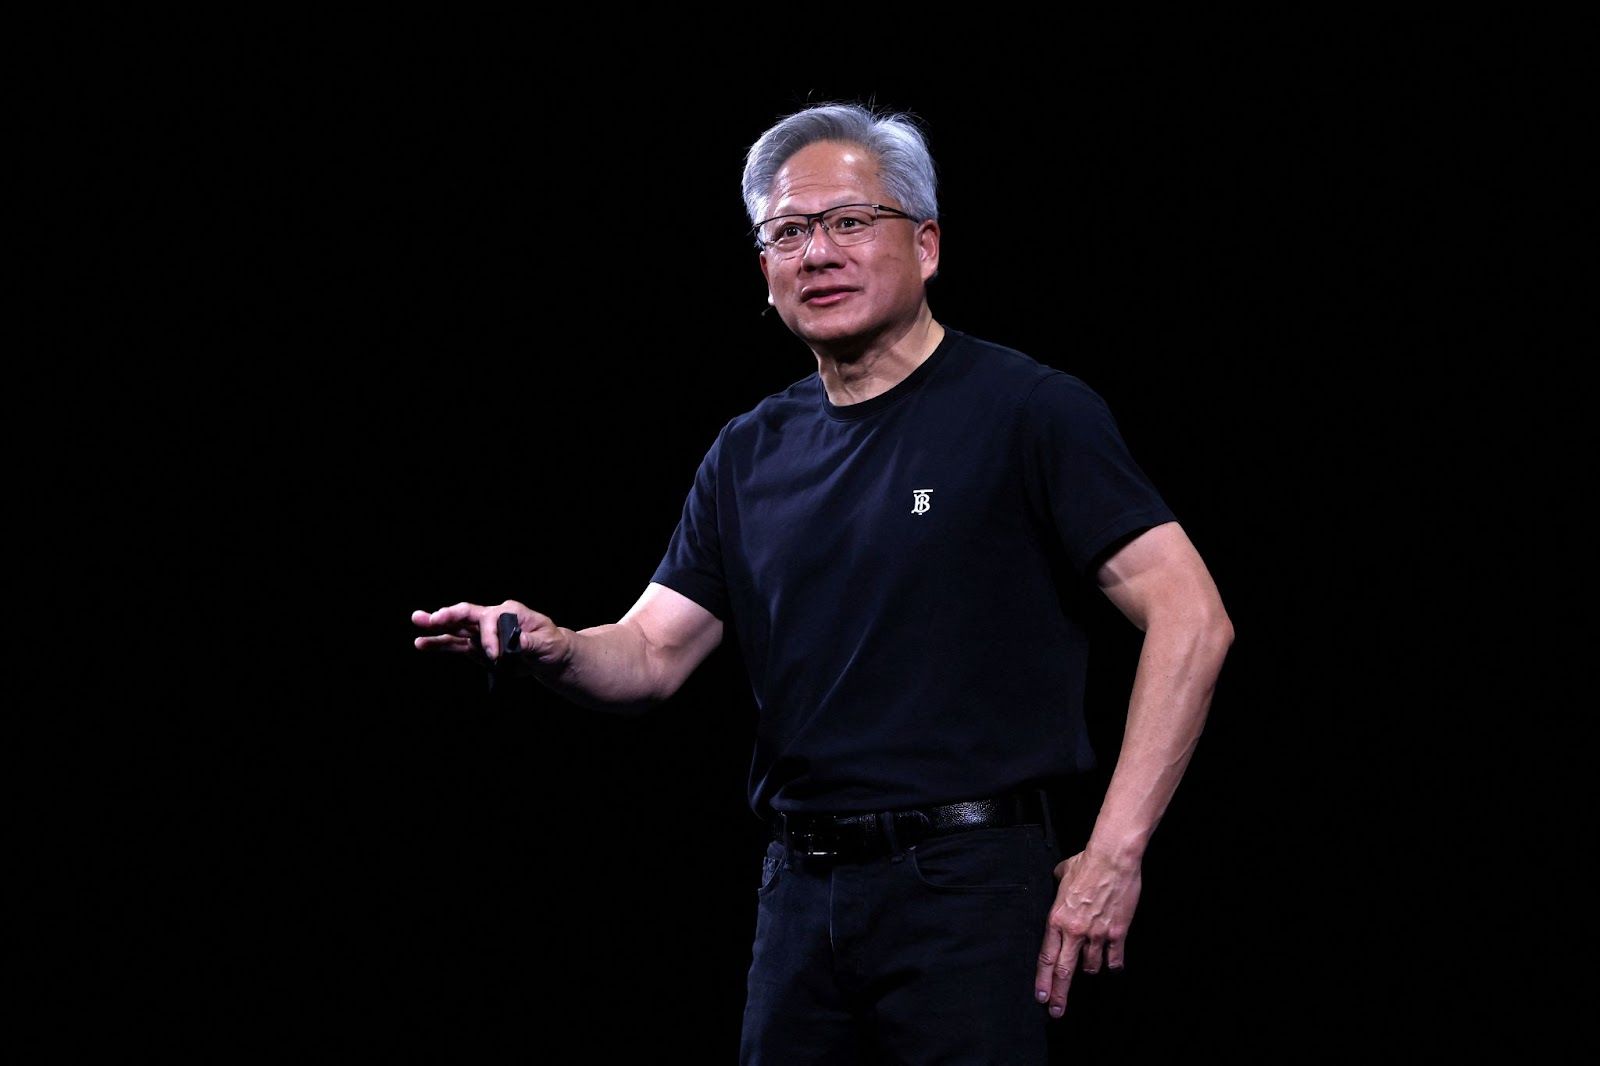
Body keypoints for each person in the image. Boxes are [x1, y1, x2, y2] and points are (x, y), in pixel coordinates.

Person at [411, 101, 1233, 1064]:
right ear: (764, 270)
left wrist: (1115, 852)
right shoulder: (748, 452)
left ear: (925, 245)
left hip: (972, 894)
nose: (818, 253)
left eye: (850, 222)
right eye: (788, 232)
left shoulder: (1029, 411)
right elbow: (649, 655)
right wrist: (555, 647)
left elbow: (1192, 617)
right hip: (799, 901)